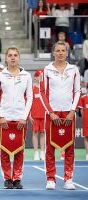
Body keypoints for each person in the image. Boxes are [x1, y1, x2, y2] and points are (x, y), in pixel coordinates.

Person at [39, 41, 81, 190]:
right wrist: (50, 112)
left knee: (69, 147)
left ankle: (68, 178)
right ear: (53, 52)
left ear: (67, 52)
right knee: (50, 148)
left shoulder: (74, 70)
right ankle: (50, 178)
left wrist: (72, 111)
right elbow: (42, 92)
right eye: (58, 50)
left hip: (69, 113)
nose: (61, 53)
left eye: (63, 50)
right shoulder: (47, 70)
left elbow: (77, 91)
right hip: (53, 113)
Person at [0, 47, 33, 189]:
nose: (13, 58)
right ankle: (7, 178)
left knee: (19, 150)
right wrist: (1, 116)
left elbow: (30, 97)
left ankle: (17, 178)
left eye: (15, 55)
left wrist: (24, 117)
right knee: (4, 149)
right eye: (10, 55)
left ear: (19, 57)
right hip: (5, 118)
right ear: (6, 58)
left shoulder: (27, 76)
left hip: (20, 118)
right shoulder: (0, 76)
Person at [29, 70, 45, 161]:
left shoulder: (45, 90)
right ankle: (36, 152)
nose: (41, 78)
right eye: (39, 76)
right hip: (35, 114)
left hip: (43, 115)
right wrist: (30, 115)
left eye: (42, 76)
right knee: (35, 133)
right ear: (35, 78)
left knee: (43, 133)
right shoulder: (32, 89)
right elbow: (29, 103)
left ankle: (42, 152)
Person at [78, 83, 88, 161]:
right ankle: (87, 154)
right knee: (86, 138)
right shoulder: (83, 98)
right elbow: (81, 111)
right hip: (86, 121)